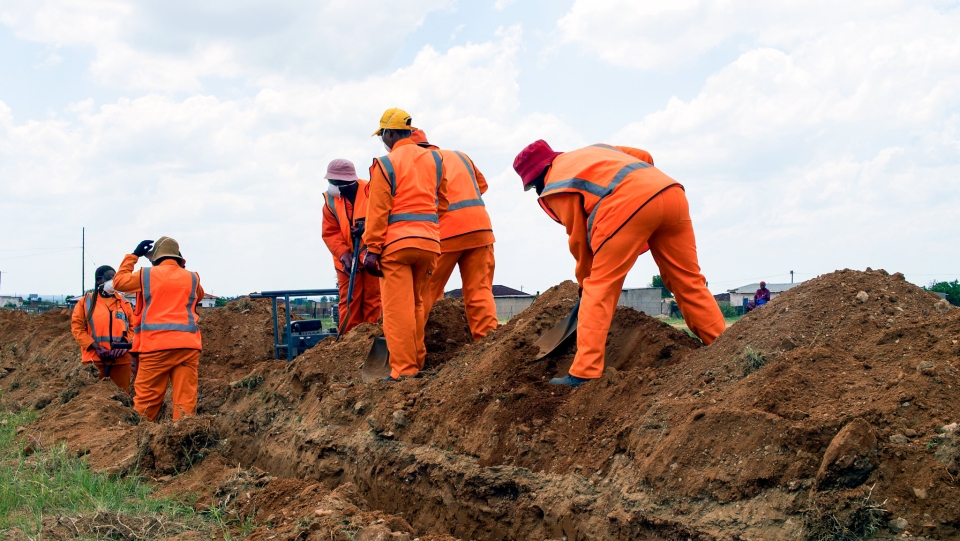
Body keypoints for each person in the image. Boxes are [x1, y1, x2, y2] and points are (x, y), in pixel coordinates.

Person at [514, 140, 725, 387]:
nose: (537, 190)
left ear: (536, 178)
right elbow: (643, 154)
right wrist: (647, 191)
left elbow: (579, 241)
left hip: (626, 204)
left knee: (599, 288)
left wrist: (585, 285)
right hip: (670, 191)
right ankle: (724, 346)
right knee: (687, 279)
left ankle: (584, 373)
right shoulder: (594, 151)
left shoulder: (556, 186)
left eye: (533, 186)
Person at [362, 108, 448, 381]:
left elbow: (377, 211)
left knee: (397, 311)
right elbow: (442, 203)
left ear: (389, 133)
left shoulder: (386, 164)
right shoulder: (435, 159)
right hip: (429, 243)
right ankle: (417, 362)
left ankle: (403, 369)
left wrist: (372, 249)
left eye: (382, 135)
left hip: (396, 247)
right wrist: (425, 227)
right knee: (417, 304)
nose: (383, 141)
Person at [411, 129, 497, 341]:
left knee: (424, 293)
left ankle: (409, 350)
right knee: (480, 292)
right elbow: (482, 187)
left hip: (445, 234)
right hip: (480, 229)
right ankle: (488, 347)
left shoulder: (418, 164)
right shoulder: (460, 156)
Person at [112, 237, 204, 421]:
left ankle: (141, 438)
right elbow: (199, 296)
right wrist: (180, 266)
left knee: (147, 401)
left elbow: (118, 282)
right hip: (187, 347)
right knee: (185, 400)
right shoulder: (192, 277)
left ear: (155, 258)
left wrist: (134, 255)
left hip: (155, 347)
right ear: (179, 257)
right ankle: (183, 436)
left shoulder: (146, 275)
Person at [321, 158, 382, 334]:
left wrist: (367, 228)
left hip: (371, 256)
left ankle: (371, 339)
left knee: (373, 301)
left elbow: (384, 215)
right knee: (349, 303)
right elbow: (330, 232)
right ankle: (349, 344)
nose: (331, 185)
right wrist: (343, 255)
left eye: (334, 182)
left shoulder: (372, 191)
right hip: (347, 263)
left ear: (346, 182)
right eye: (330, 181)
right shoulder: (330, 202)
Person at [70, 265, 134, 389]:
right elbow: (77, 329)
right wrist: (97, 348)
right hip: (94, 361)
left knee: (120, 398)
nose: (113, 281)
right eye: (110, 278)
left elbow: (133, 327)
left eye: (115, 278)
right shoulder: (85, 303)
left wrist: (124, 344)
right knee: (94, 399)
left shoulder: (124, 303)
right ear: (99, 280)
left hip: (120, 361)